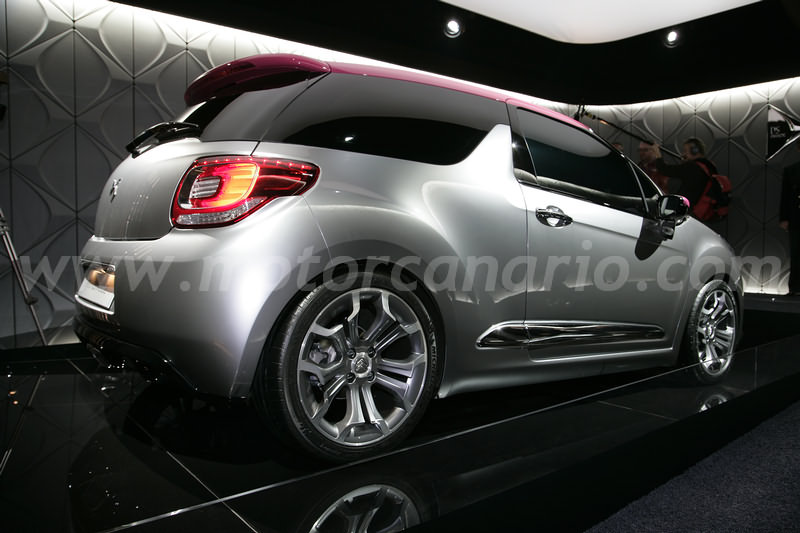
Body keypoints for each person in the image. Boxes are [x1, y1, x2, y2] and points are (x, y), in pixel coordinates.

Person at [652, 137, 717, 212]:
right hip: (704, 208)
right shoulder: (709, 166)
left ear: (695, 151)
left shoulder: (691, 167)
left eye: (685, 151)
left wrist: (657, 153)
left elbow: (664, 169)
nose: (683, 154)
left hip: (691, 208)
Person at [780, 149, 800, 295]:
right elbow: (785, 196)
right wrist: (784, 218)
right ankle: (795, 288)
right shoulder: (791, 170)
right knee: (796, 253)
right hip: (796, 217)